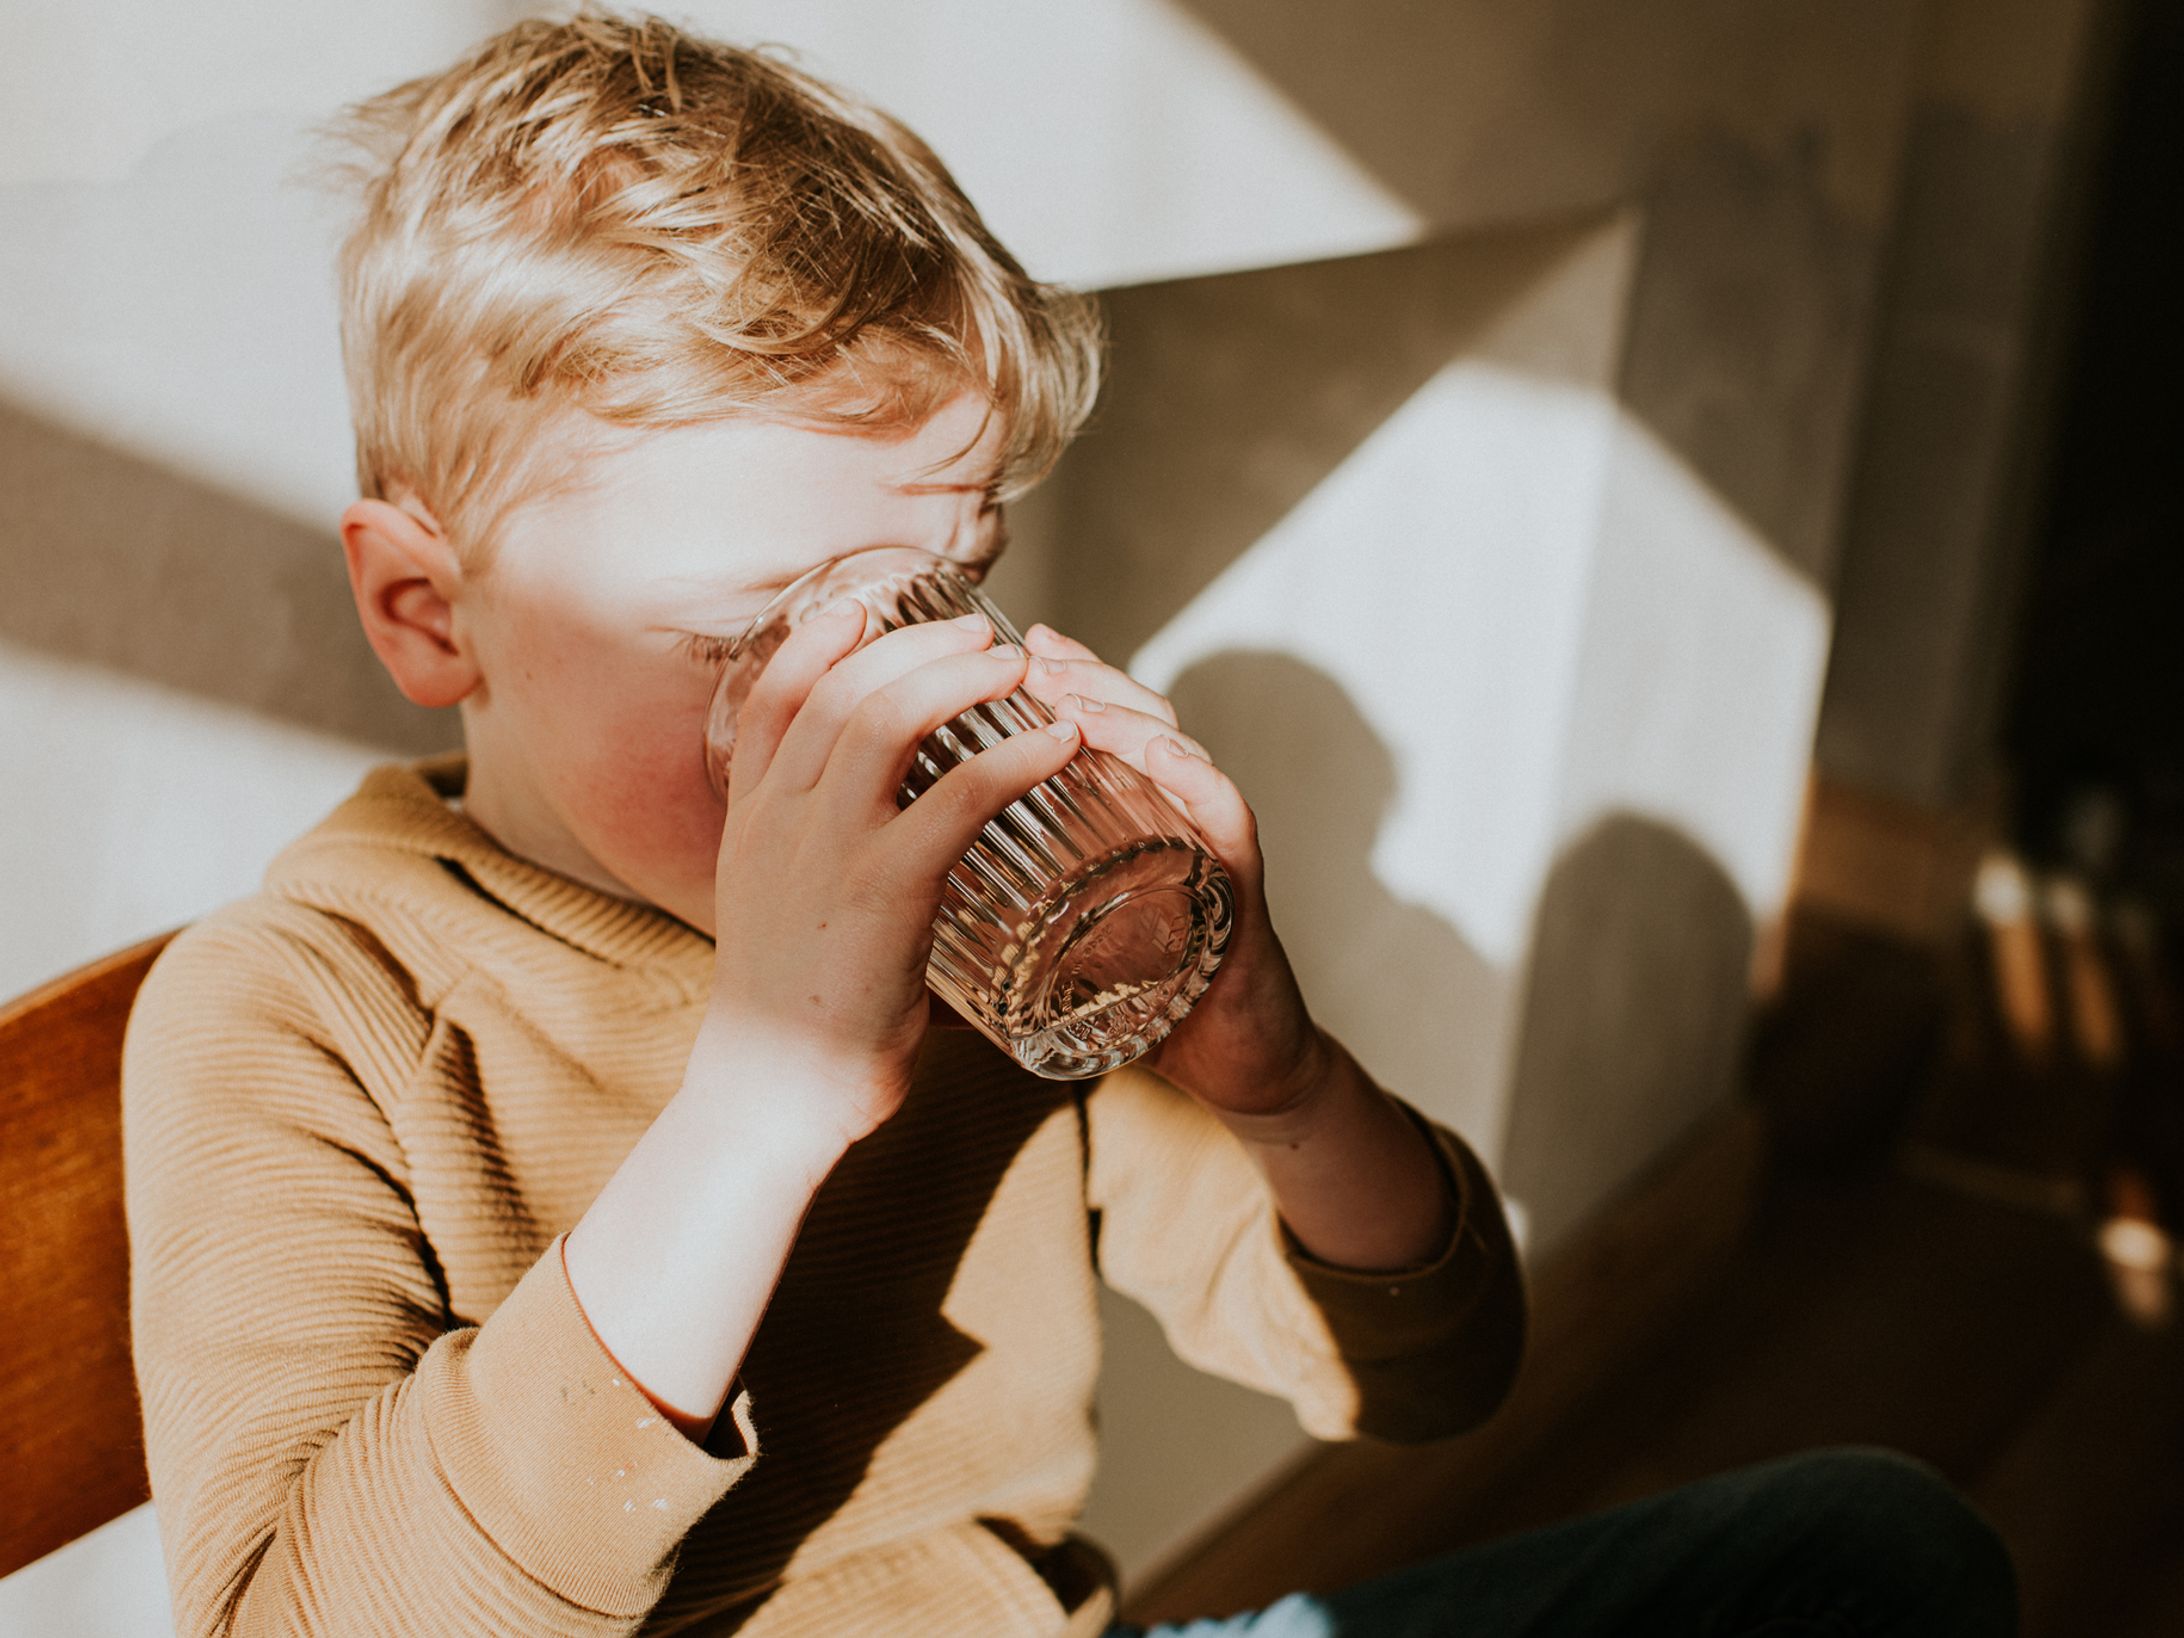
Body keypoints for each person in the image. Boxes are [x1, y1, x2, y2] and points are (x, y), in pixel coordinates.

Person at [118, 9, 2019, 1635]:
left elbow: (1434, 1368)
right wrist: (763, 1100)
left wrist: (1274, 1075)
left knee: (1871, 1549)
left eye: (938, 591)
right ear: (425, 611)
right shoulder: (305, 1011)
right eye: (743, 634)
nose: (861, 701)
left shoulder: (967, 921)